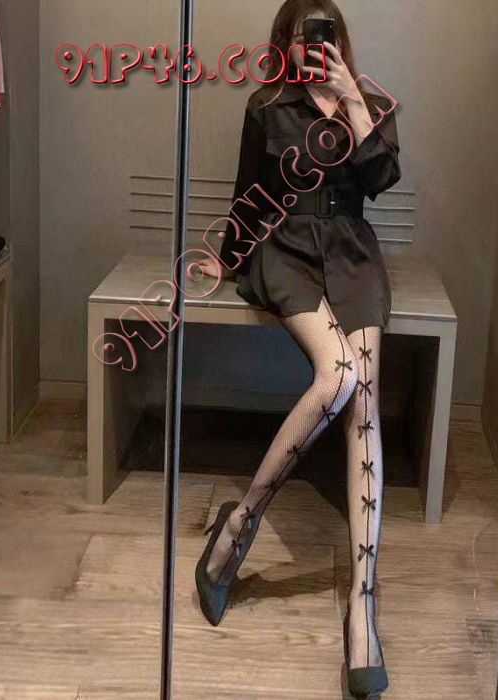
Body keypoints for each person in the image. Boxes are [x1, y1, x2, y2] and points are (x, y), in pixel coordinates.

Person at [196, 1, 400, 697]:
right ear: (282, 44)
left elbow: (382, 179)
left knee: (363, 401)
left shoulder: (370, 102)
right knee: (338, 376)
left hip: (352, 255)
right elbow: (250, 196)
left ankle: (362, 608)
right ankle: (241, 524)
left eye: (322, 34)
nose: (310, 45)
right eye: (298, 35)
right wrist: (228, 260)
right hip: (286, 250)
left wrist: (352, 100)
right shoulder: (266, 106)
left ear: (340, 41)